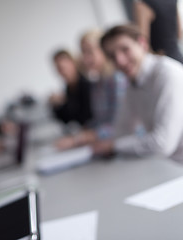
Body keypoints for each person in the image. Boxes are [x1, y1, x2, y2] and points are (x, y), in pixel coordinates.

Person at [92, 24, 183, 162]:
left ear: (142, 43)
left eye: (125, 49)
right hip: (170, 165)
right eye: (112, 56)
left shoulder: (167, 74)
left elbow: (163, 145)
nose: (120, 61)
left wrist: (113, 146)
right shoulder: (133, 83)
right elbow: (121, 130)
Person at [54, 30, 125, 150]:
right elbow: (97, 121)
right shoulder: (97, 83)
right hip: (104, 145)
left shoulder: (117, 80)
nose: (85, 59)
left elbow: (120, 125)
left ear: (103, 50)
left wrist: (80, 138)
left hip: (121, 144)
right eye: (83, 53)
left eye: (90, 52)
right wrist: (81, 134)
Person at [49, 49, 93, 147]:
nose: (61, 72)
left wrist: (75, 139)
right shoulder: (69, 88)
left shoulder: (86, 85)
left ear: (73, 64)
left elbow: (87, 119)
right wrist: (57, 105)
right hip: (81, 136)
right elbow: (67, 119)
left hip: (90, 137)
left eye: (63, 67)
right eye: (58, 69)